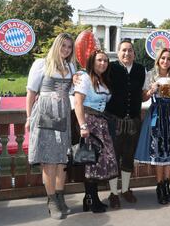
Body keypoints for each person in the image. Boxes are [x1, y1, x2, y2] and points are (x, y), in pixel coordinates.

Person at [26, 33, 76, 220]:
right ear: (56, 45)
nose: (66, 50)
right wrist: (29, 117)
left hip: (63, 114)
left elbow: (72, 91)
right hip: (45, 114)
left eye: (69, 47)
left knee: (62, 159)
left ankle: (61, 197)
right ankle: (52, 201)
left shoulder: (70, 66)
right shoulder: (41, 64)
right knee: (48, 160)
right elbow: (31, 93)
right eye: (63, 46)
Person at [134, 48, 170, 205]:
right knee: (159, 151)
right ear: (158, 59)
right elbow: (143, 97)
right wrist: (152, 90)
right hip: (157, 114)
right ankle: (160, 188)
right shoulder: (150, 74)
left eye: (168, 58)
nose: (165, 61)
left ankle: (167, 186)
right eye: (163, 58)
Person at [74, 50, 118, 213]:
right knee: (90, 161)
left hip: (101, 123)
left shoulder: (102, 79)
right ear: (92, 61)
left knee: (96, 161)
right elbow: (78, 103)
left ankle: (89, 199)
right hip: (89, 122)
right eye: (99, 60)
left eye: (106, 61)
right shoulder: (84, 77)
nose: (103, 63)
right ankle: (92, 199)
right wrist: (83, 126)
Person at [106, 39, 146, 209]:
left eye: (130, 50)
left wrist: (149, 93)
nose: (127, 53)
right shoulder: (111, 68)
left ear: (134, 53)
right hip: (115, 119)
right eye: (123, 50)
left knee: (129, 156)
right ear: (118, 52)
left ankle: (125, 189)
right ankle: (113, 193)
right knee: (113, 157)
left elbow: (142, 95)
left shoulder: (140, 69)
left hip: (134, 120)